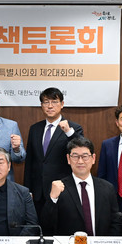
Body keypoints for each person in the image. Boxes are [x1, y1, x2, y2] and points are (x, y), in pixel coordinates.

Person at [24, 87, 84, 216]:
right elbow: (29, 162)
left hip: (62, 190)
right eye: (46, 102)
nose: (50, 106)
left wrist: (68, 132)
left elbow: (81, 150)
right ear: (41, 105)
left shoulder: (73, 128)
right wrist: (28, 189)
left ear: (62, 104)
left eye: (54, 102)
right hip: (38, 192)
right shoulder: (34, 129)